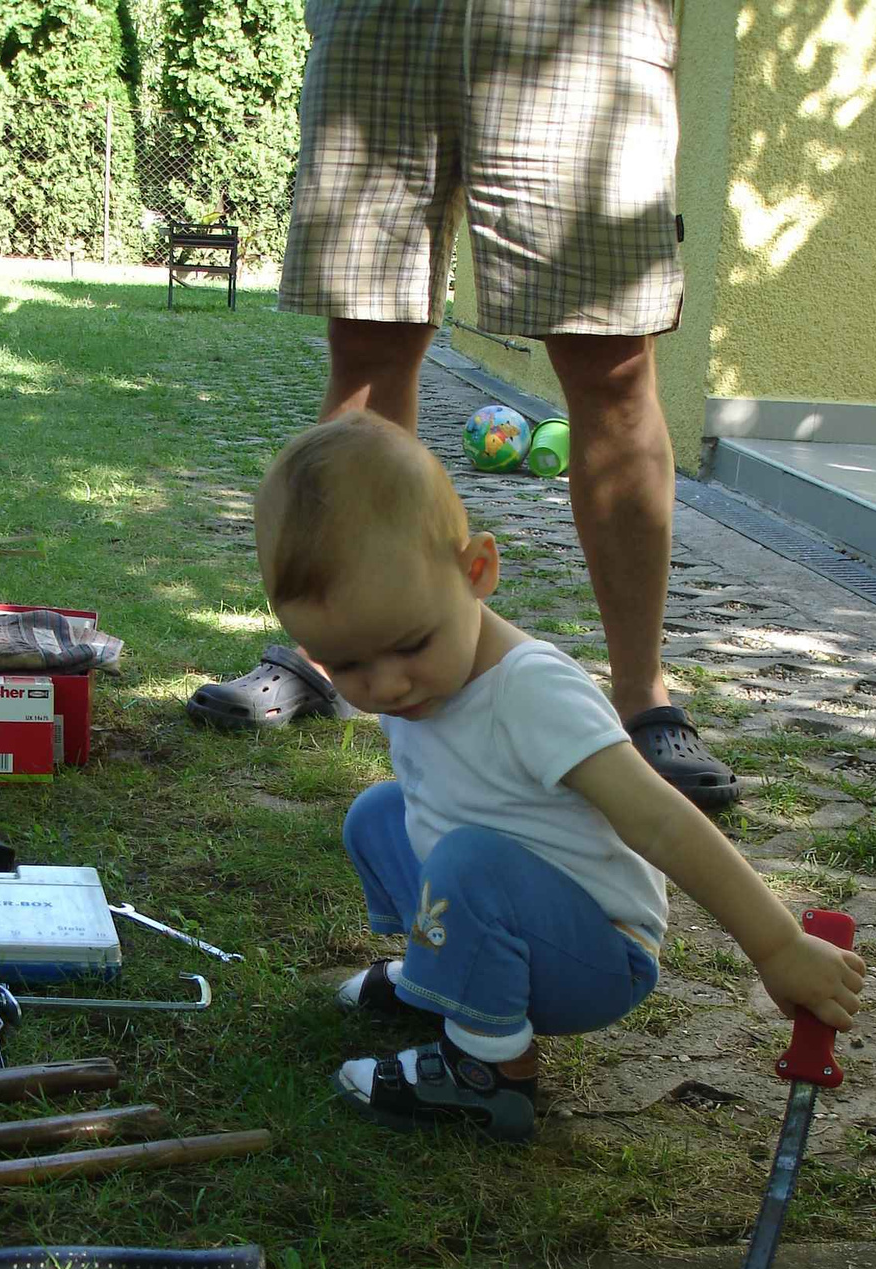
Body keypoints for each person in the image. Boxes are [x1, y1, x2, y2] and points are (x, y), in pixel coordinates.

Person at [187, 0, 740, 810]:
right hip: (384, 17)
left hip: (580, 23)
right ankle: (333, 654)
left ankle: (640, 695)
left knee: (611, 360)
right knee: (368, 341)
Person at [253, 413, 864, 1143]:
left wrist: (779, 947)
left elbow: (662, 820)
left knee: (465, 862)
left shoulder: (531, 692)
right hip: (513, 904)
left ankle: (489, 1075)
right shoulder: (420, 669)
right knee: (381, 814)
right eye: (346, 665)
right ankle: (442, 981)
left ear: (476, 570)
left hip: (598, 954)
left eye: (408, 645)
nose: (384, 685)